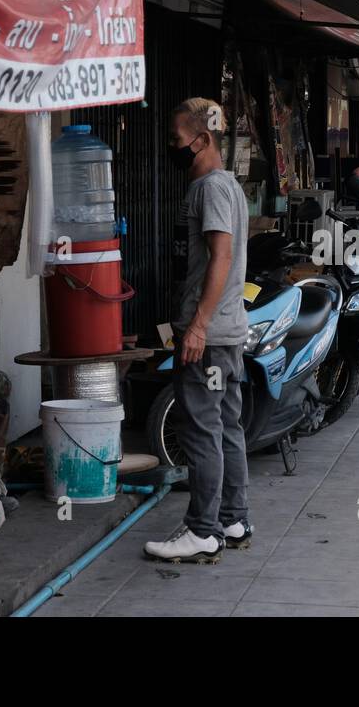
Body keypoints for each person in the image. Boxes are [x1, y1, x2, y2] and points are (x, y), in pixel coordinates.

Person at [144, 98, 251, 565]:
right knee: (226, 427)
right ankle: (233, 518)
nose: (172, 148)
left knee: (203, 430)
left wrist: (197, 326)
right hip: (227, 333)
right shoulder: (226, 187)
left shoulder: (210, 189)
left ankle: (203, 530)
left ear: (202, 141)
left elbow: (221, 257)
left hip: (209, 337)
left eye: (176, 139)